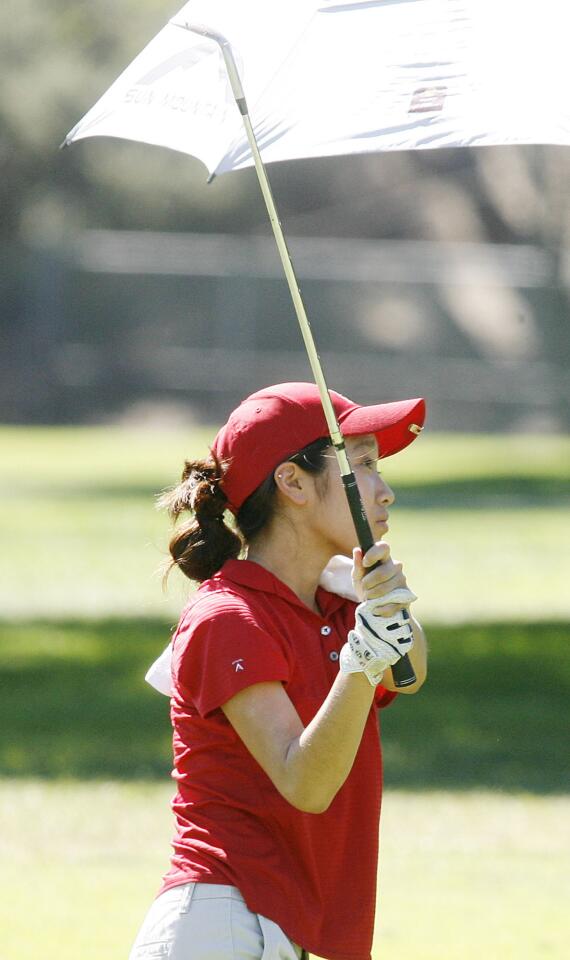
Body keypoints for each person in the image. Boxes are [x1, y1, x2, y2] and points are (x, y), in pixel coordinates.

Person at [130, 381, 428, 960]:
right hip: (219, 925)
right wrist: (362, 656)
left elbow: (410, 673)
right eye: (362, 464)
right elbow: (306, 783)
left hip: (278, 930)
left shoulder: (334, 604)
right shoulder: (226, 617)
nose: (386, 491)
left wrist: (384, 607)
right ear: (292, 482)